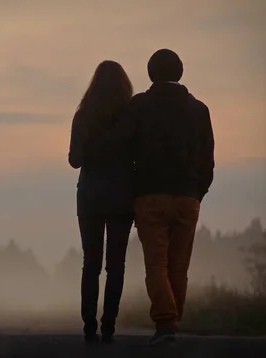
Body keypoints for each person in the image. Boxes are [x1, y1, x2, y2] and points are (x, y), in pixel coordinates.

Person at [118, 49, 215, 346]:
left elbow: (123, 148)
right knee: (179, 265)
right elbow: (207, 158)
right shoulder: (199, 110)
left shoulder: (139, 106)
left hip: (149, 196)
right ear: (180, 72)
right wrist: (199, 191)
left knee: (156, 264)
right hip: (188, 196)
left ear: (150, 74)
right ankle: (172, 319)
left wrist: (132, 189)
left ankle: (166, 323)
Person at [68, 60, 135, 344]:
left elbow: (74, 160)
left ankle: (88, 325)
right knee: (116, 265)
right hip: (122, 196)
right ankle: (109, 324)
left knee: (91, 262)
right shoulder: (131, 116)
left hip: (91, 197)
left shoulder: (83, 116)